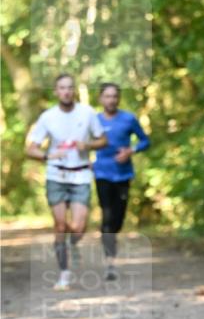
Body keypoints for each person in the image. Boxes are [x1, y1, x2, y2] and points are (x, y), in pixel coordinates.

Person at [26, 73, 107, 291]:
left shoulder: (88, 113)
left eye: (70, 87)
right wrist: (46, 156)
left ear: (74, 90)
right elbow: (30, 148)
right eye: (62, 88)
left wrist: (87, 145)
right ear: (56, 91)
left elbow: (103, 140)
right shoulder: (47, 117)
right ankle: (63, 274)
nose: (67, 91)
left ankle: (72, 245)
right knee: (60, 225)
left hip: (81, 175)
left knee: (79, 227)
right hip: (56, 175)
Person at [94, 82, 150, 280]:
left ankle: (111, 238)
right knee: (107, 217)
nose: (111, 100)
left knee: (118, 219)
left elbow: (145, 141)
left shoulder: (128, 119)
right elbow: (82, 143)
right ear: (101, 99)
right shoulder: (93, 120)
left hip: (123, 175)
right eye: (107, 96)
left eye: (114, 96)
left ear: (118, 98)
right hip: (101, 174)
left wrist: (130, 151)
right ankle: (110, 262)